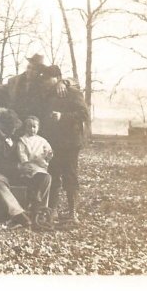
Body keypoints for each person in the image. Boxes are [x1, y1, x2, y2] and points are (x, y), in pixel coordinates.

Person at [41, 65, 90, 223]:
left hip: (70, 142)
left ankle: (72, 212)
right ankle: (53, 211)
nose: (46, 82)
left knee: (70, 176)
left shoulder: (73, 93)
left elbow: (83, 114)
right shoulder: (48, 95)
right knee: (54, 175)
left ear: (57, 78)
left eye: (48, 79)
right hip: (54, 142)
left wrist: (63, 116)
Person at [16, 116, 53, 218]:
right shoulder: (23, 140)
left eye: (34, 127)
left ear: (38, 127)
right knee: (39, 178)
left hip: (40, 166)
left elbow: (48, 153)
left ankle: (41, 207)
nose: (32, 129)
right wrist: (27, 163)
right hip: (29, 167)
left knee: (47, 178)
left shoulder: (42, 141)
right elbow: (22, 154)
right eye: (29, 127)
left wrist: (48, 155)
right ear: (25, 128)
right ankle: (36, 205)